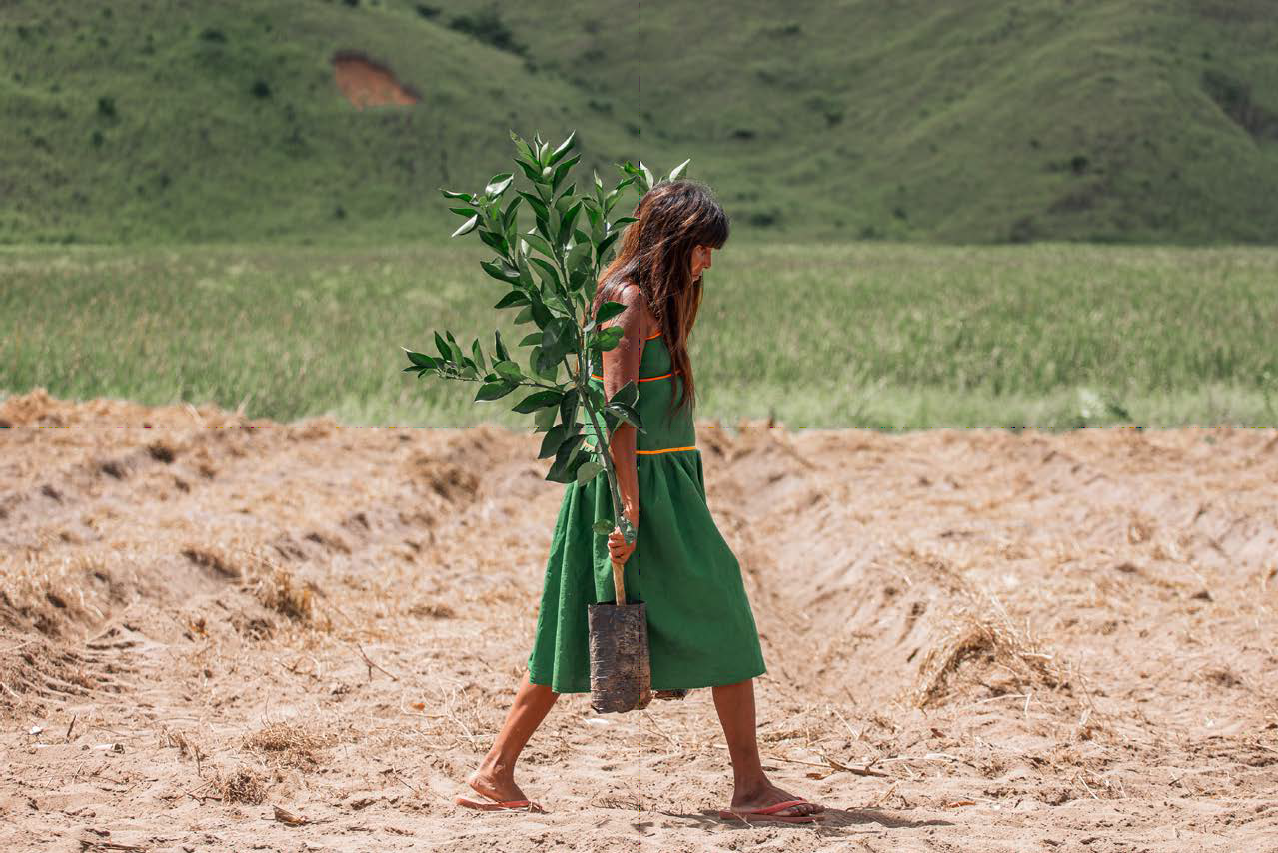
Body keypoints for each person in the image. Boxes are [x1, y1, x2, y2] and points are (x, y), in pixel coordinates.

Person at [455, 180, 826, 824]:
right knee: (690, 609)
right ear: (673, 240)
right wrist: (625, 509)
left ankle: (495, 773)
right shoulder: (625, 303)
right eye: (701, 249)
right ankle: (749, 788)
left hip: (666, 482)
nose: (707, 262)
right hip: (635, 486)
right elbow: (616, 412)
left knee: (584, 621)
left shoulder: (657, 299)